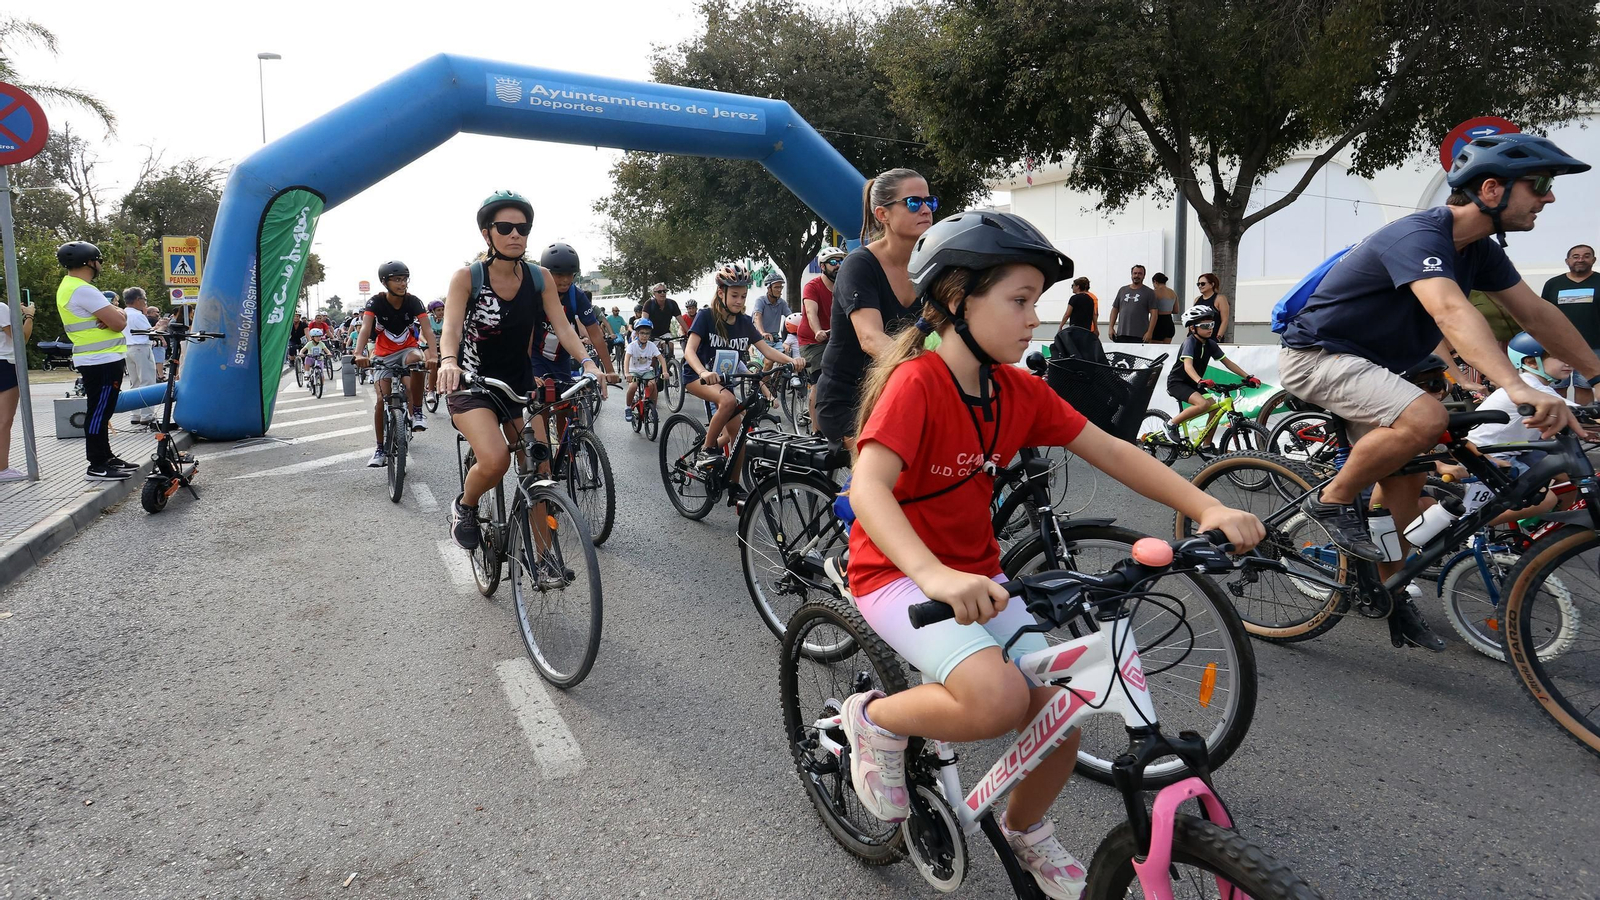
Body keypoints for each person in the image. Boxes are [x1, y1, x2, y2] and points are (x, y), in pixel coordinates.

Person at [833, 210, 1263, 900]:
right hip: (895, 577)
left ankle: (1024, 830)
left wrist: (1207, 507)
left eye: (1038, 300)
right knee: (998, 698)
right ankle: (873, 718)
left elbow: (1113, 450)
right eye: (1019, 300)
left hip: (981, 578)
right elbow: (870, 488)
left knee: (1062, 708)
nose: (1036, 317)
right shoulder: (917, 383)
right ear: (954, 301)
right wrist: (933, 573)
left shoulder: (1015, 390)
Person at [1277, 132, 1600, 651]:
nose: (1550, 198)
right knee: (1426, 419)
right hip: (1318, 356)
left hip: (1375, 368)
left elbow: (1535, 314)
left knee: (1404, 491)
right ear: (1491, 190)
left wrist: (1597, 376)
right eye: (1539, 185)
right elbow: (1450, 312)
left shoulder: (1479, 251)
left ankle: (1389, 588)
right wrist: (1516, 386)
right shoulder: (1419, 236)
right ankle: (1332, 501)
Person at [437, 191, 605, 551]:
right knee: (496, 459)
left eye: (522, 228)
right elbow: (450, 329)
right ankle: (465, 507)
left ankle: (546, 560)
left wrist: (590, 363)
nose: (515, 234)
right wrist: (449, 361)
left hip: (520, 387)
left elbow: (563, 327)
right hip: (473, 385)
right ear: (487, 233)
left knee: (540, 470)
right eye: (505, 227)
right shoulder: (467, 278)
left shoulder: (539, 277)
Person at [816, 168, 935, 445]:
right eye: (914, 202)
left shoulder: (930, 267)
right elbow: (870, 338)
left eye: (930, 202)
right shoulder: (860, 265)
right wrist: (929, 373)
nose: (926, 209)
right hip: (849, 402)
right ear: (883, 215)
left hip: (897, 394)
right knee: (889, 473)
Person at [682, 263, 806, 501]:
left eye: (743, 296)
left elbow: (767, 351)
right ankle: (706, 452)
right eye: (735, 295)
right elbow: (689, 350)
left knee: (739, 433)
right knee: (728, 400)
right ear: (721, 293)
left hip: (724, 380)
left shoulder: (745, 322)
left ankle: (733, 484)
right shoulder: (706, 317)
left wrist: (793, 361)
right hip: (697, 377)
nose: (740, 301)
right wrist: (702, 371)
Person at [55, 242, 134, 481]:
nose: (99, 265)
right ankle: (97, 464)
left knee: (103, 409)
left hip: (97, 359)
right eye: (98, 260)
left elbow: (114, 318)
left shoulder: (68, 287)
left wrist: (111, 314)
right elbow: (120, 322)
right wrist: (115, 312)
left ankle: (106, 456)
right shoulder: (83, 289)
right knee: (99, 411)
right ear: (90, 262)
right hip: (101, 360)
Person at [354, 260, 436, 467]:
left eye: (405, 279)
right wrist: (358, 353)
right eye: (397, 279)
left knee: (417, 362)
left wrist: (433, 356)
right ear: (385, 282)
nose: (403, 283)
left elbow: (427, 329)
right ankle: (380, 449)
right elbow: (365, 328)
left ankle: (417, 411)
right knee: (381, 401)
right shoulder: (375, 302)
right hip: (383, 354)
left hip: (408, 350)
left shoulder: (414, 301)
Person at [1162, 306, 1258, 443]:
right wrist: (1199, 380)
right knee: (1202, 404)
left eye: (1212, 325)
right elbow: (1188, 366)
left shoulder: (1210, 344)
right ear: (1192, 328)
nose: (1210, 328)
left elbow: (1228, 363)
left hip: (1195, 383)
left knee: (1215, 409)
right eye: (1205, 325)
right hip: (1178, 383)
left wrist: (1248, 377)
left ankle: (1207, 444)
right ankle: (1171, 424)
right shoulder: (1190, 342)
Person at [799, 247, 845, 434]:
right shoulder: (813, 286)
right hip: (813, 341)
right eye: (833, 262)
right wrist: (818, 331)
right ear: (822, 266)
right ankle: (816, 431)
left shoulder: (845, 285)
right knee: (819, 382)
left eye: (841, 261)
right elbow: (811, 312)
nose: (838, 266)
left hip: (836, 337)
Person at [0, 290, 35, 481]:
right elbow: (20, 339)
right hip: (4, 364)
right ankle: (2, 468)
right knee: (4, 421)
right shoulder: (1, 308)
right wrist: (29, 316)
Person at [1539, 243, 1600, 352]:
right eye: (1575, 257)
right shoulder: (1553, 284)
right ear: (1567, 261)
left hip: (1596, 347)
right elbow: (1544, 316)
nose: (1580, 260)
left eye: (1586, 256)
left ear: (1593, 260)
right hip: (1562, 348)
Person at [121, 288, 157, 426]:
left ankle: (135, 413)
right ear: (138, 299)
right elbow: (149, 333)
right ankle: (147, 414)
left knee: (134, 382)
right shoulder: (138, 315)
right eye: (144, 299)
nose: (145, 302)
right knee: (147, 381)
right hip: (141, 348)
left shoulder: (122, 313)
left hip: (127, 348)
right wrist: (160, 327)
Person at [623, 318, 662, 422]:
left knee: (652, 385)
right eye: (642, 333)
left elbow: (661, 358)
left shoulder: (651, 345)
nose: (644, 336)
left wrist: (666, 372)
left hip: (646, 371)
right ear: (637, 333)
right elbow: (626, 359)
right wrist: (627, 373)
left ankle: (653, 408)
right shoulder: (632, 346)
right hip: (634, 371)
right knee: (633, 386)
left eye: (647, 333)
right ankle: (628, 407)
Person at [1108, 265, 1156, 343]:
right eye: (1135, 273)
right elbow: (1115, 309)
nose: (1137, 276)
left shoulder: (1149, 292)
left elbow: (1154, 314)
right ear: (1131, 274)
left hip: (1140, 335)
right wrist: (1110, 327)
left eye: (1140, 273)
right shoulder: (1122, 290)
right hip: (1122, 334)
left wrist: (1150, 332)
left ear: (1144, 276)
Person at [1194, 273, 1232, 343]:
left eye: (1203, 284)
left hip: (1213, 337)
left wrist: (1218, 337)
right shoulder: (1197, 300)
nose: (1200, 286)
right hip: (1197, 338)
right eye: (1198, 284)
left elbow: (1225, 320)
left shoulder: (1220, 299)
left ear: (1212, 284)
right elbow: (1192, 319)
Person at [753, 273, 790, 341]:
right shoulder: (761, 301)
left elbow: (790, 317)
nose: (779, 290)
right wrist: (762, 333)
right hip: (760, 338)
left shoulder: (782, 303)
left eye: (780, 287)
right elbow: (757, 316)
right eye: (776, 287)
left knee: (787, 351)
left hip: (775, 338)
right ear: (769, 288)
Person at [423, 300, 446, 397]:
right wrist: (427, 342)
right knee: (433, 364)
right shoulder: (428, 319)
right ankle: (430, 391)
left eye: (442, 309)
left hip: (440, 345)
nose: (441, 312)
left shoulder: (445, 320)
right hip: (427, 345)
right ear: (432, 311)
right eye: (438, 310)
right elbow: (421, 335)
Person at [1149, 272, 1178, 342]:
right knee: (1166, 349)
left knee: (1155, 350)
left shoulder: (1154, 292)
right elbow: (1176, 310)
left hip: (1158, 322)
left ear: (1155, 282)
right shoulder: (1173, 293)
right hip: (1169, 322)